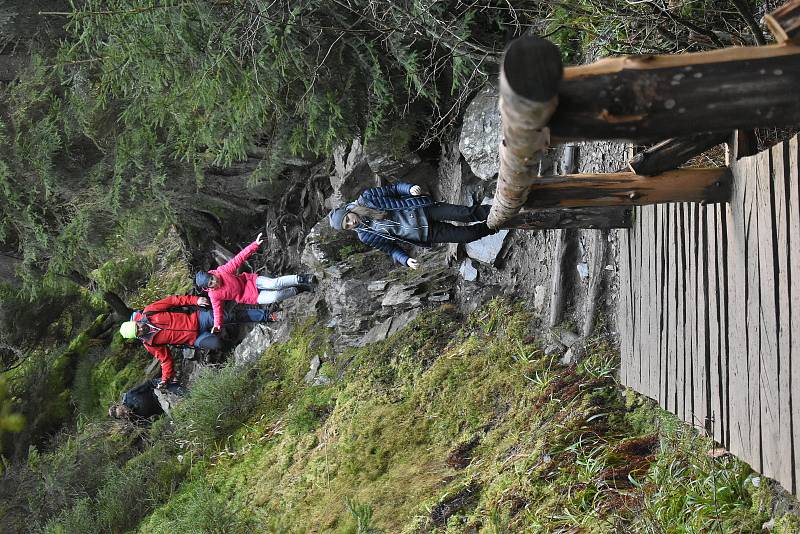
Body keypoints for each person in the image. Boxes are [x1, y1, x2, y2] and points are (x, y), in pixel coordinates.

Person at [118, 294, 278, 386]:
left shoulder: (150, 312)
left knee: (227, 316)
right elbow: (165, 360)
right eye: (137, 332)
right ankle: (239, 347)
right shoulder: (150, 344)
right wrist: (165, 379)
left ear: (136, 321)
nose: (140, 329)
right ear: (137, 337)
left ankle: (265, 316)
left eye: (137, 326)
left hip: (197, 319)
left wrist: (195, 301)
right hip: (194, 338)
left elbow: (173, 300)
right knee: (217, 344)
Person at [328, 182, 494, 269]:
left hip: (423, 210)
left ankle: (502, 209)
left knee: (466, 214)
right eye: (347, 226)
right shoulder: (365, 235)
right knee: (467, 235)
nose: (351, 223)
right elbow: (390, 249)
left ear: (347, 211)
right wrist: (405, 260)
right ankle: (498, 224)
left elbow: (393, 189)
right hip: (425, 233)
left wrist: (409, 189)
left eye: (347, 219)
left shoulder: (367, 198)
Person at [194, 232, 316, 334]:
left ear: (212, 274)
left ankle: (301, 279)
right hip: (249, 296)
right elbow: (217, 311)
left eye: (212, 278)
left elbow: (238, 259)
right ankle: (297, 290)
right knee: (275, 296)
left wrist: (254, 245)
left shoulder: (222, 271)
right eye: (211, 283)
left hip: (250, 281)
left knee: (274, 284)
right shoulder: (214, 295)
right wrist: (217, 325)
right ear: (208, 288)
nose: (214, 281)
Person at [108, 378, 184, 423]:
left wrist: (163, 381)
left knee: (179, 393)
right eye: (123, 415)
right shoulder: (133, 420)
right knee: (177, 416)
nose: (126, 412)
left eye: (123, 410)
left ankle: (185, 392)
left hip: (159, 394)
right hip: (164, 409)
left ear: (119, 405)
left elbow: (149, 383)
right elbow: (149, 425)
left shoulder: (130, 395)